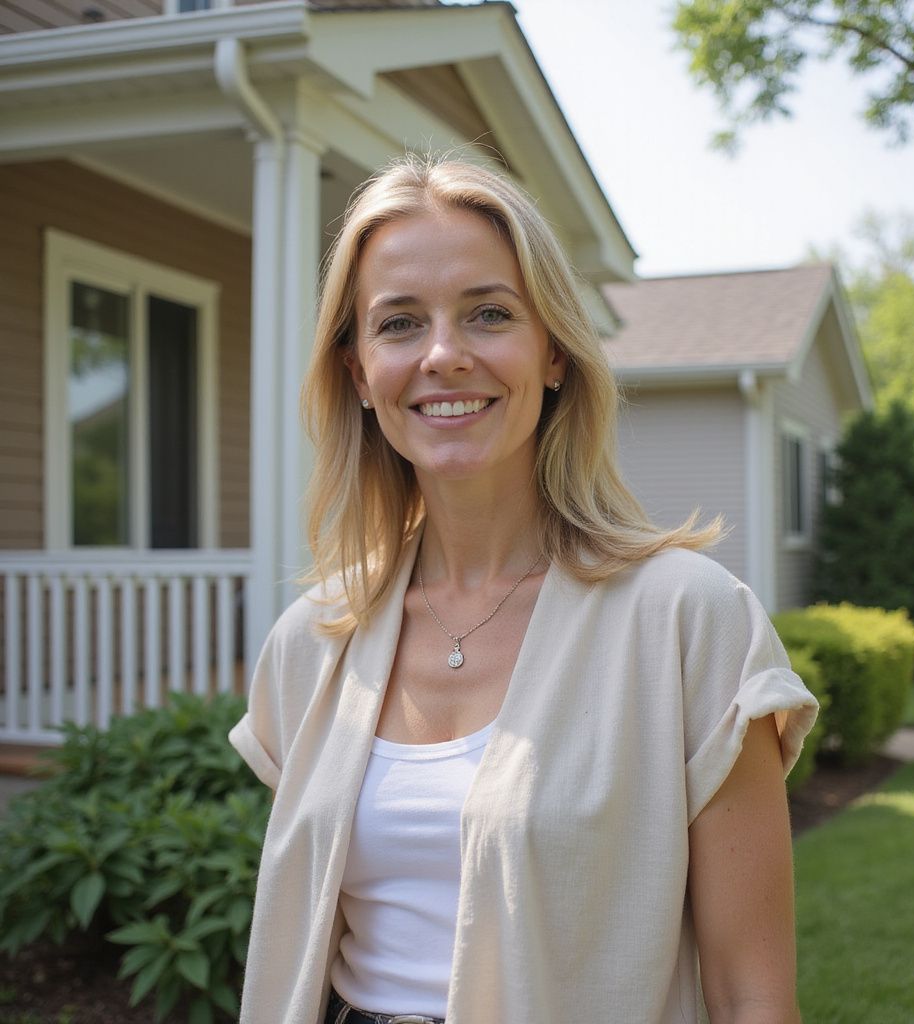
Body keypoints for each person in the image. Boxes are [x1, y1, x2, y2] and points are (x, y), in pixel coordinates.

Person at [229, 155, 819, 1024]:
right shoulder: (311, 645)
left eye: (489, 314)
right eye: (398, 324)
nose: (443, 355)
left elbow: (751, 997)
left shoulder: (689, 623)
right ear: (358, 375)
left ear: (551, 354)